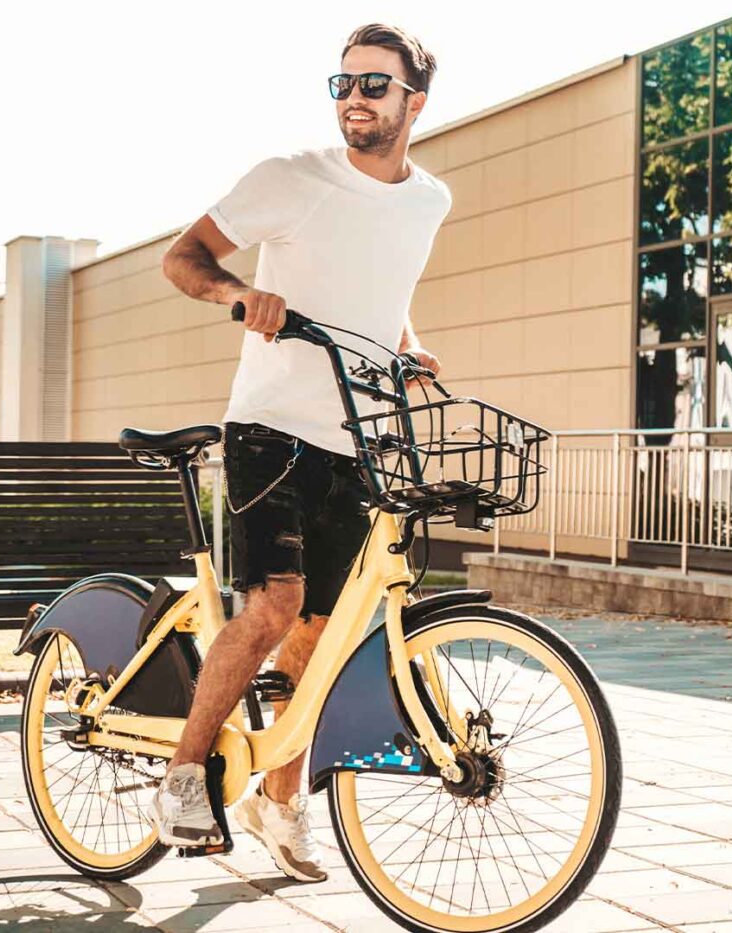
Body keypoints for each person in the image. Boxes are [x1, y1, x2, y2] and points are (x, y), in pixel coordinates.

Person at [149, 23, 451, 883]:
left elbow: (380, 292)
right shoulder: (291, 178)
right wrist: (242, 293)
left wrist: (408, 343)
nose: (355, 97)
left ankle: (279, 800)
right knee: (276, 606)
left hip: (354, 437)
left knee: (322, 630)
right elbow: (184, 256)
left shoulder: (429, 200)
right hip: (270, 429)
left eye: (376, 85)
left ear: (414, 102)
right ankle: (182, 778)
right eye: (345, 82)